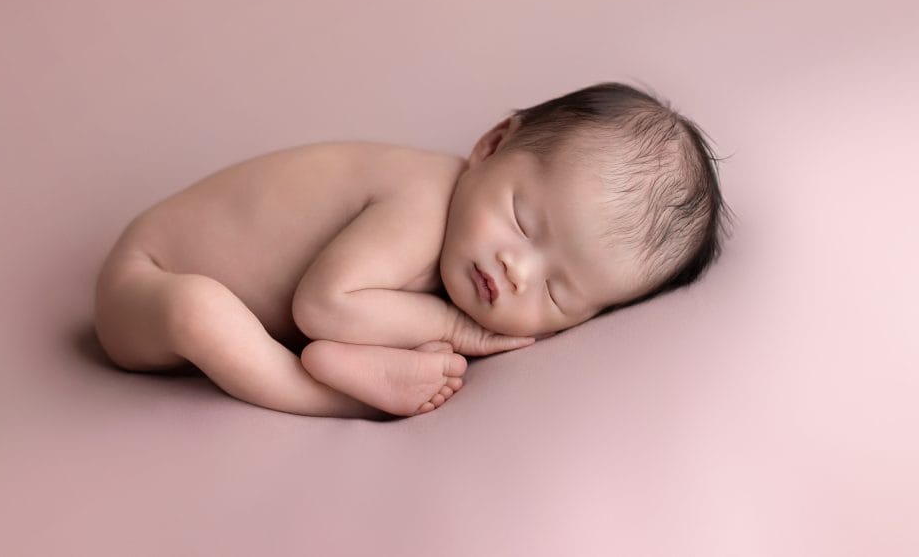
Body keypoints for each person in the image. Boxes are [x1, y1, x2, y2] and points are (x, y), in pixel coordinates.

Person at [93, 81, 734, 419]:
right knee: (197, 308)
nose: (517, 268)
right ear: (491, 145)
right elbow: (325, 306)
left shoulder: (460, 246)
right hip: (143, 284)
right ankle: (331, 398)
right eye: (521, 219)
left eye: (556, 291)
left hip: (239, 307)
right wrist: (457, 329)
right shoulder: (425, 201)